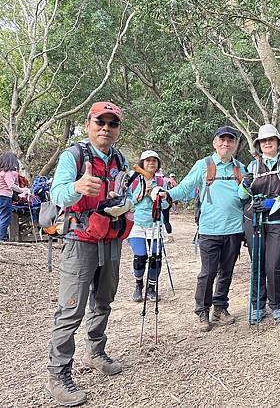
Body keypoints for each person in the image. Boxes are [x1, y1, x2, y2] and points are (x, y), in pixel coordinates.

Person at [46, 102, 134, 406]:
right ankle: (58, 375)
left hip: (110, 239)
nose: (106, 128)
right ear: (89, 123)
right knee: (71, 310)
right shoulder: (74, 156)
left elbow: (128, 191)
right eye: (101, 122)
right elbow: (57, 193)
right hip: (79, 240)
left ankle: (96, 352)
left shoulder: (118, 159)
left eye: (113, 124)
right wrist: (77, 188)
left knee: (104, 301)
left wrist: (126, 202)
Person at [166, 125, 245, 332]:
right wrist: (166, 195)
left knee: (226, 271)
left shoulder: (240, 168)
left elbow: (247, 194)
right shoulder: (204, 165)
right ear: (214, 143)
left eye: (230, 140)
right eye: (222, 140)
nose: (226, 144)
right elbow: (185, 188)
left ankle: (220, 307)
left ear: (235, 144)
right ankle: (202, 310)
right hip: (210, 229)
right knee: (208, 272)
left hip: (234, 229)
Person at [239, 124, 280, 323]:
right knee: (258, 263)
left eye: (271, 140)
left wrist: (273, 202)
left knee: (274, 265)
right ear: (259, 145)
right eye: (263, 141)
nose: (267, 143)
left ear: (277, 143)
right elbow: (241, 195)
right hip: (255, 221)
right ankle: (258, 305)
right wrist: (245, 184)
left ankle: (276, 304)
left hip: (279, 220)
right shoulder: (252, 166)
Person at [128, 150, 170, 302]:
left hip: (155, 223)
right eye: (147, 160)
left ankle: (151, 288)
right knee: (140, 257)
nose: (151, 163)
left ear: (158, 164)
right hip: (136, 223)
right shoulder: (133, 179)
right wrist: (142, 194)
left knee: (155, 257)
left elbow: (166, 205)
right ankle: (138, 285)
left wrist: (159, 198)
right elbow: (129, 204)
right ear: (142, 163)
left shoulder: (162, 182)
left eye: (154, 160)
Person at [0, 152, 31, 241]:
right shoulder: (8, 172)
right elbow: (11, 185)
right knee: (5, 218)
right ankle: (2, 238)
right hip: (5, 197)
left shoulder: (1, 172)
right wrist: (23, 190)